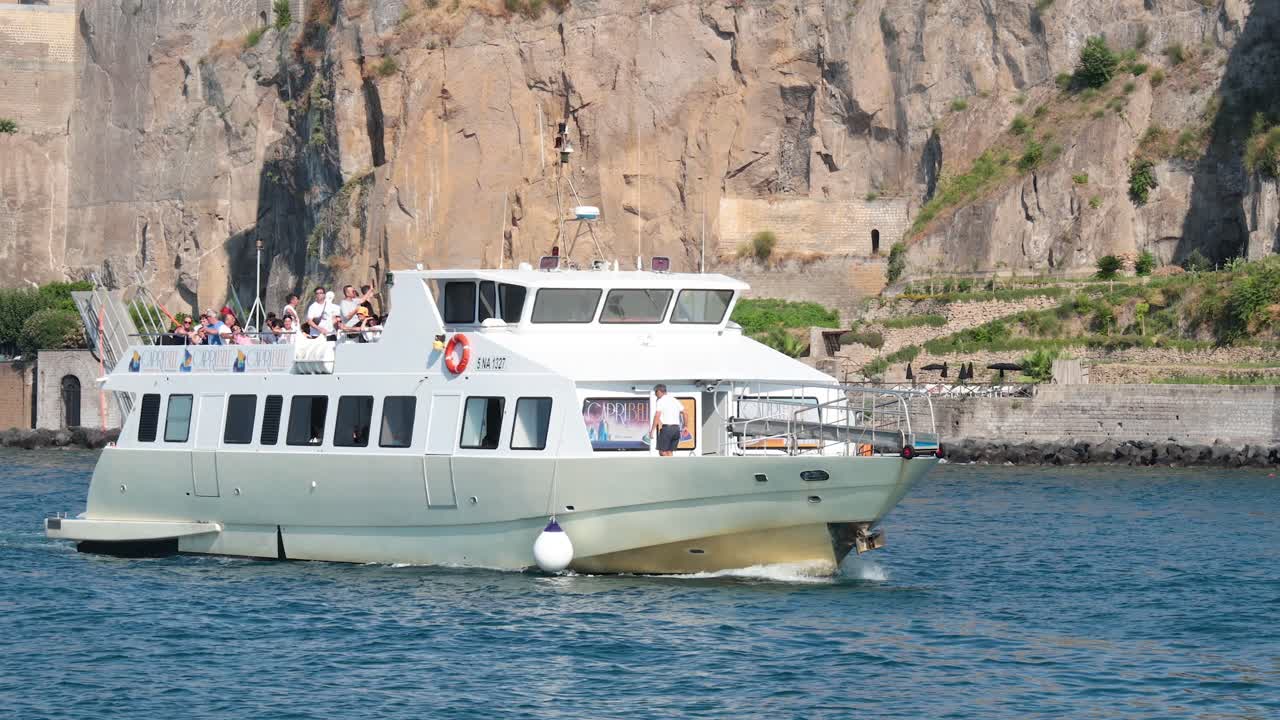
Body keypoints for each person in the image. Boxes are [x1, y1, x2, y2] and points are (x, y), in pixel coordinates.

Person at [650, 384, 685, 457]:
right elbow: (685, 413)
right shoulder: (674, 400)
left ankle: (666, 467)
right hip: (676, 429)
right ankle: (671, 467)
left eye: (655, 392)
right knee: (669, 452)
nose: (655, 394)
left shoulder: (661, 400)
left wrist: (652, 430)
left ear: (659, 391)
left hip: (667, 429)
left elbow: (657, 415)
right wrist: (686, 426)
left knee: (662, 452)